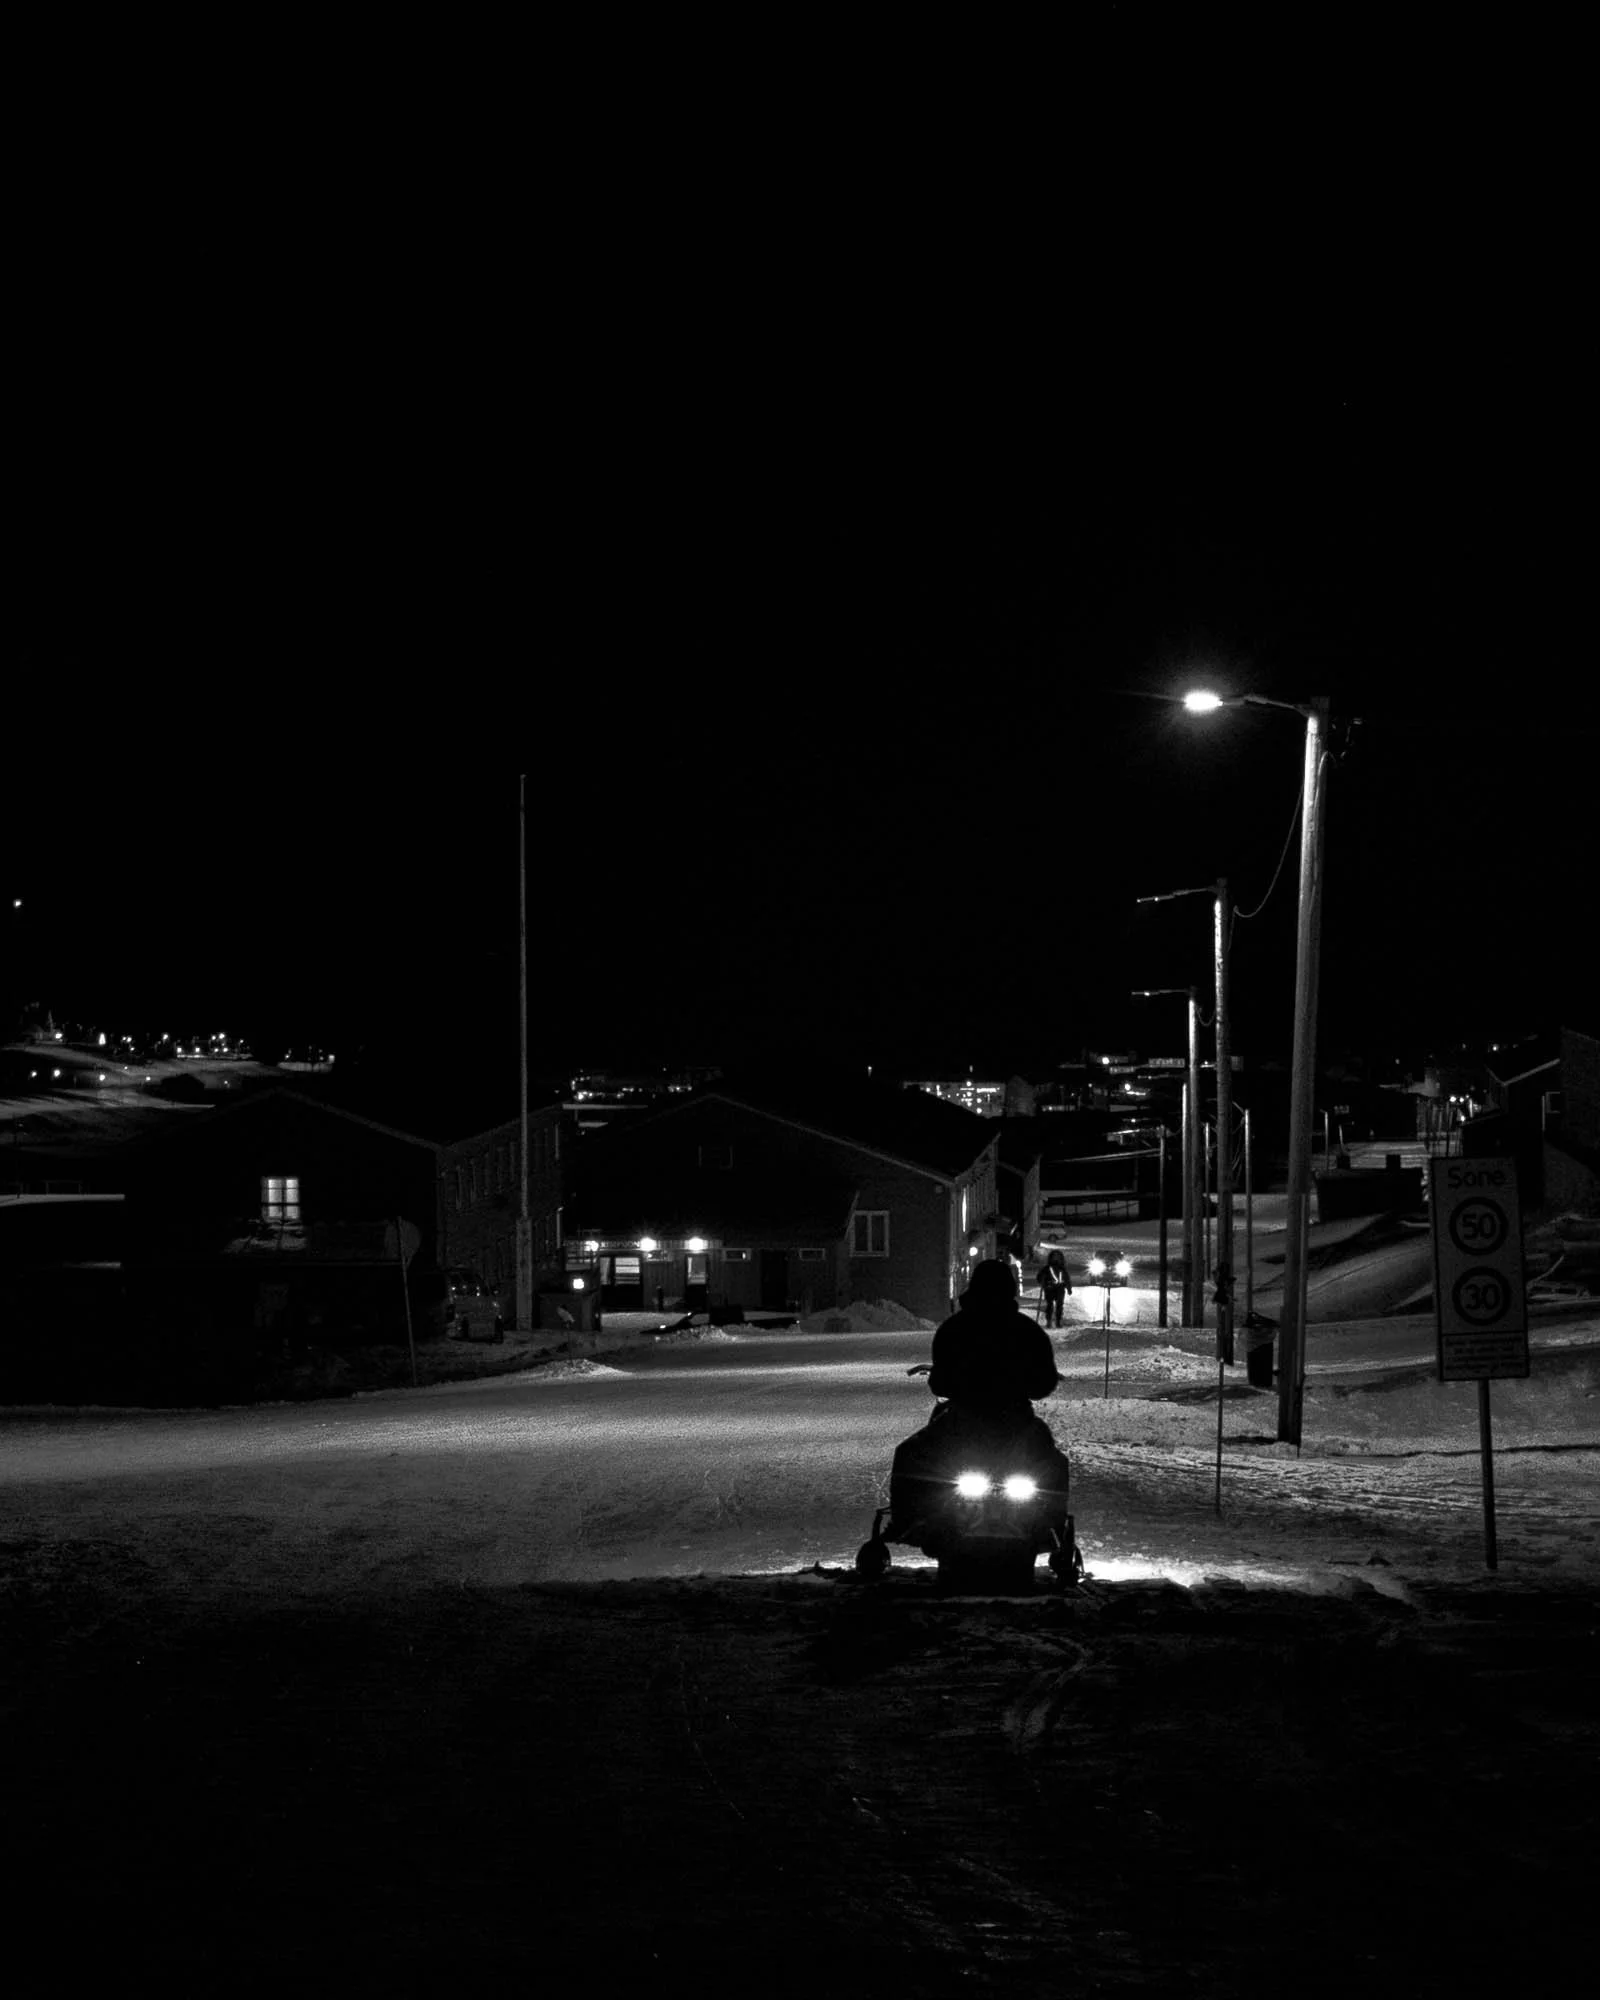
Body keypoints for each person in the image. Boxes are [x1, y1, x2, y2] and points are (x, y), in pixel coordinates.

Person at [928, 1257, 1060, 1416]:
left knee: (930, 1437)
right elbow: (1044, 1382)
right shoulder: (1027, 1331)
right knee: (1041, 1438)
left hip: (963, 1420)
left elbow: (939, 1382)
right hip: (1014, 1420)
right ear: (1009, 1290)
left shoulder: (952, 1329)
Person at [1038, 1247, 1072, 1329]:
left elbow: (1067, 1279)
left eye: (1057, 1257)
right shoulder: (1046, 1268)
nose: (1056, 1258)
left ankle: (1058, 1321)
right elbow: (1039, 1277)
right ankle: (1049, 1320)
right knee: (1049, 1305)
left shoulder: (1062, 1268)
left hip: (1060, 1289)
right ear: (1051, 1258)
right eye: (1054, 1256)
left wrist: (1069, 1288)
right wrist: (1044, 1282)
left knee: (1059, 1305)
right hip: (1049, 1289)